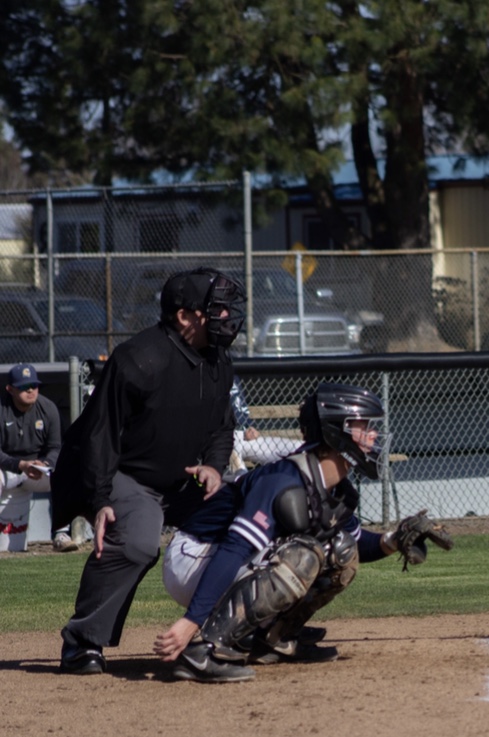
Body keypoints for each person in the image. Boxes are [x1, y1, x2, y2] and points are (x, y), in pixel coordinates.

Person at [153, 382, 452, 683]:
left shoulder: (340, 492)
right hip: (194, 554)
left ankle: (273, 639)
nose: (374, 436)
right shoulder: (284, 479)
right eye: (364, 427)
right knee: (302, 556)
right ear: (336, 431)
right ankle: (203, 651)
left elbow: (358, 545)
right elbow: (234, 548)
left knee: (342, 549)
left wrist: (393, 540)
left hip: (224, 557)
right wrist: (191, 620)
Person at [51, 267, 246, 675]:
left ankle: (240, 631)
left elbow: (222, 427)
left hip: (185, 479)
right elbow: (99, 435)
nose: (227, 317)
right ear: (184, 316)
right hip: (127, 474)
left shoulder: (217, 360)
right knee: (138, 541)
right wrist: (100, 500)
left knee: (250, 518)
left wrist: (212, 466)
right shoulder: (140, 358)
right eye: (217, 309)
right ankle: (82, 642)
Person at [0, 364, 63, 552]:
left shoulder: (48, 408)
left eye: (34, 386)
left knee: (66, 478)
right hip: (7, 469)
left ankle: (61, 533)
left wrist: (45, 463)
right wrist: (20, 464)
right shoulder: (2, 408)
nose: (30, 390)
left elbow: (55, 447)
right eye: (23, 386)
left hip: (35, 471)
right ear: (10, 389)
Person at [226, 374, 303, 479]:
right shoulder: (207, 377)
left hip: (244, 436)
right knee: (240, 473)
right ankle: (244, 484)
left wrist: (249, 426)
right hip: (225, 438)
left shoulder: (232, 375)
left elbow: (241, 408)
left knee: (299, 447)